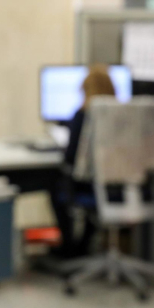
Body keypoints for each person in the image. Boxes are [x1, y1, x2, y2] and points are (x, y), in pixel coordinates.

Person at [50, 65, 116, 258]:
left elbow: (71, 156)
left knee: (54, 184)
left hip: (90, 185)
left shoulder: (82, 115)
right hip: (120, 186)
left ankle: (69, 247)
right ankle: (83, 246)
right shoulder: (122, 116)